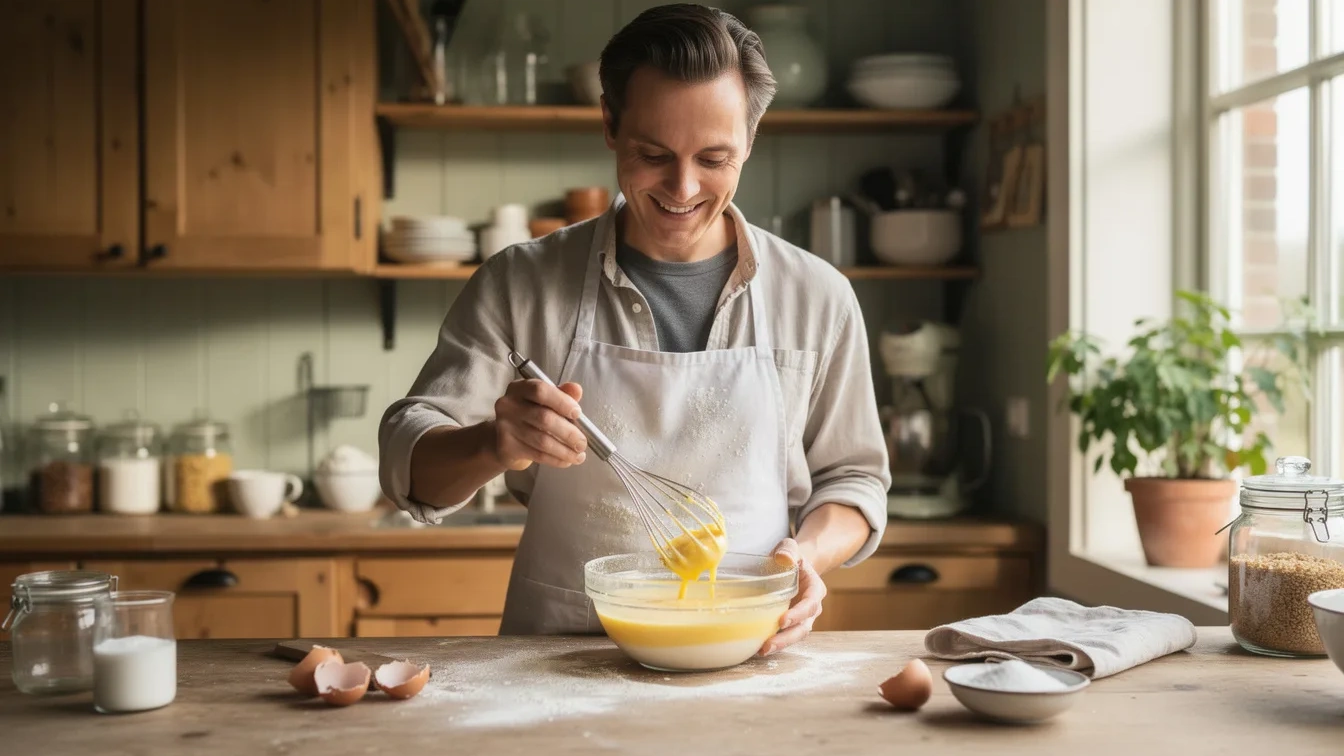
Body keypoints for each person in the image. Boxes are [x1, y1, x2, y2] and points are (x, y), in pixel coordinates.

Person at [378, 3, 890, 656]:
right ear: (609, 126)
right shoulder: (520, 284)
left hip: (744, 657)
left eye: (714, 158)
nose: (682, 187)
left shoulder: (817, 297)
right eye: (653, 153)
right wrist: (492, 444)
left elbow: (854, 481)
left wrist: (809, 554)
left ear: (750, 142)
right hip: (555, 666)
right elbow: (409, 467)